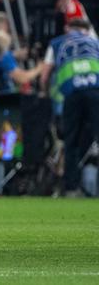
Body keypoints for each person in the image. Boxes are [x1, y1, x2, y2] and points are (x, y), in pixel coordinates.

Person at [40, 19, 99, 196]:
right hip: (96, 91)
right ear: (87, 31)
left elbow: (44, 75)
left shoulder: (57, 43)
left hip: (72, 94)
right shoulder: (94, 42)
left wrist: (44, 94)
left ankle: (71, 188)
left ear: (67, 28)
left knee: (70, 140)